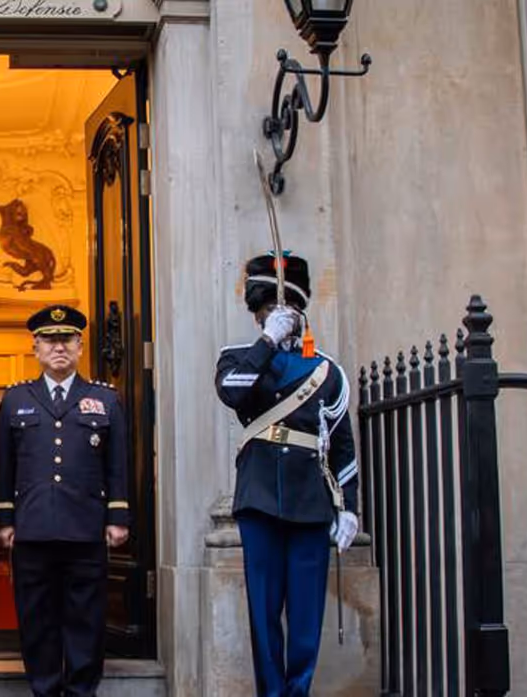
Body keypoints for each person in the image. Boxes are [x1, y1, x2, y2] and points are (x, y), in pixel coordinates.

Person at [214, 252, 359, 697]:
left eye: (287, 309)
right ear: (258, 315)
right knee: (263, 612)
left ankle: (298, 690)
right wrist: (266, 343)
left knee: (306, 614)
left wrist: (349, 508)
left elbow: (342, 445)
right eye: (269, 310)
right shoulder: (238, 358)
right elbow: (232, 394)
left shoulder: (326, 371)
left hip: (310, 500)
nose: (279, 316)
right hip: (259, 498)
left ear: (300, 313)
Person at [0, 304, 131, 697]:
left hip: (85, 527)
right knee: (36, 618)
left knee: (86, 618)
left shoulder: (104, 399)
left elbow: (118, 464)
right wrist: (4, 519)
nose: (59, 347)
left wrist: (118, 516)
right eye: (50, 340)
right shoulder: (15, 399)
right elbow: (2, 465)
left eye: (67, 339)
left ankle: (81, 690)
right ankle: (45, 689)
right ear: (35, 347)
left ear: (80, 346)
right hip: (32, 528)